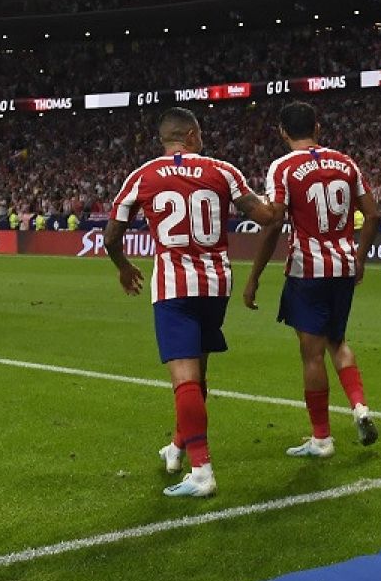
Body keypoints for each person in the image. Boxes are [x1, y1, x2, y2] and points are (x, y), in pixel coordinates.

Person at [104, 107, 281, 497]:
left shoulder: (142, 175)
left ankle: (202, 472)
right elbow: (267, 216)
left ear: (165, 139)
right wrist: (280, 197)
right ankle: (179, 445)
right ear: (193, 136)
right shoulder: (223, 170)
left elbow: (112, 234)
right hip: (217, 285)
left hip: (174, 289)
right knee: (197, 378)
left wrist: (122, 266)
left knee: (184, 380)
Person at [242, 101, 381, 458]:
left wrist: (253, 277)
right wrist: (359, 259)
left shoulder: (283, 167)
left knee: (312, 355)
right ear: (318, 128)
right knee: (338, 340)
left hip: (308, 270)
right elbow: (373, 214)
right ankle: (360, 406)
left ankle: (321, 438)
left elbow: (273, 222)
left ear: (282, 132)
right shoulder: (346, 162)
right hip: (343, 267)